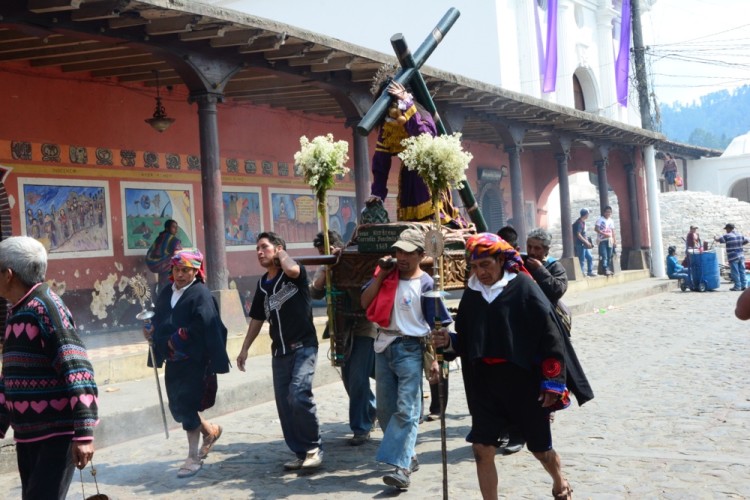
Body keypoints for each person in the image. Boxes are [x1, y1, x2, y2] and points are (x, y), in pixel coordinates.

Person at [431, 233, 577, 499]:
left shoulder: (523, 287)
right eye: (474, 266)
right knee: (481, 448)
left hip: (523, 382)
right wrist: (448, 342)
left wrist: (553, 382)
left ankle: (559, 479)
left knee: (540, 449)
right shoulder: (473, 294)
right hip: (485, 384)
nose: (480, 272)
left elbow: (550, 337)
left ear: (501, 260)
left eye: (485, 264)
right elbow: (468, 340)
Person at [0, 236, 99, 499]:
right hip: (28, 436)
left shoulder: (46, 308)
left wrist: (84, 433)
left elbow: (78, 369)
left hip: (56, 435)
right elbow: (10, 376)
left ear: (8, 274)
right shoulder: (18, 311)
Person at [360, 227, 452, 490]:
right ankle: (409, 455)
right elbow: (365, 302)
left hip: (411, 348)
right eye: (398, 251)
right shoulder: (386, 276)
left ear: (420, 255)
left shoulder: (425, 283)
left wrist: (436, 359)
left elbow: (438, 323)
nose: (401, 257)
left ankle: (401, 469)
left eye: (407, 252)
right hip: (384, 346)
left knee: (408, 409)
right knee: (386, 410)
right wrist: (381, 276)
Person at [237, 232, 323, 470]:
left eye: (264, 247)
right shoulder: (262, 284)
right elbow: (256, 318)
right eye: (257, 248)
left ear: (278, 249)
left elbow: (293, 271)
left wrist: (282, 253)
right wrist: (245, 348)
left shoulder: (294, 273)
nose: (259, 252)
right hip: (280, 352)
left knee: (298, 394)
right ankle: (301, 451)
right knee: (285, 406)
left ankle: (314, 447)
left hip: (304, 346)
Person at [145, 248, 230, 478]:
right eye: (177, 269)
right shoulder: (166, 293)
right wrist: (152, 329)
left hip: (195, 360)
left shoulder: (201, 294)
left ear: (196, 271)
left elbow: (207, 326)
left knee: (187, 404)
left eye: (186, 270)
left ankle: (193, 457)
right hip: (174, 360)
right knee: (178, 406)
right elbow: (160, 318)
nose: (180, 275)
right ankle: (210, 431)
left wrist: (179, 337)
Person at [310, 230, 376, 446]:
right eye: (320, 252)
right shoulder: (327, 264)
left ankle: (361, 427)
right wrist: (326, 265)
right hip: (341, 327)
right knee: (349, 377)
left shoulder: (354, 259)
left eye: (326, 250)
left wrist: (342, 258)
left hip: (364, 325)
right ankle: (371, 410)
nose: (323, 253)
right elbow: (315, 292)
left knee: (357, 376)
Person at [367, 80, 463, 227]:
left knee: (435, 219)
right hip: (408, 178)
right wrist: (377, 195)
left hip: (428, 174)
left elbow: (425, 137)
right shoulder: (387, 127)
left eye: (395, 101)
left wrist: (406, 104)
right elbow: (381, 161)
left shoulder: (422, 114)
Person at [146, 219, 182, 293]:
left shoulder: (159, 238)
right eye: (174, 227)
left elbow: (153, 251)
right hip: (170, 271)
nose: (176, 230)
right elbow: (179, 255)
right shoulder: (174, 240)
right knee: (171, 290)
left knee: (162, 289)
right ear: (167, 228)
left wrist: (161, 261)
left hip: (161, 270)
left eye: (176, 228)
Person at [714, 223, 749, 291]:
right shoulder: (740, 234)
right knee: (742, 271)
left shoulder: (727, 236)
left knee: (735, 272)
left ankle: (737, 286)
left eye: (726, 229)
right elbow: (747, 240)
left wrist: (715, 238)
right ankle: (744, 286)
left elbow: (720, 240)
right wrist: (741, 244)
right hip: (741, 255)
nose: (726, 230)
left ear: (729, 228)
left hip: (733, 257)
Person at [572, 208, 595, 277]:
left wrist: (587, 241)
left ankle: (590, 271)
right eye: (588, 214)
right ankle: (581, 273)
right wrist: (586, 242)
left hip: (584, 243)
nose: (588, 215)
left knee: (590, 257)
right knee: (581, 259)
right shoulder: (579, 223)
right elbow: (578, 234)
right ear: (585, 214)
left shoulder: (582, 222)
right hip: (580, 243)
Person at [594, 206, 616, 276]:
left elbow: (613, 231)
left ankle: (608, 268)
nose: (608, 213)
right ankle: (605, 269)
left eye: (609, 212)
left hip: (609, 240)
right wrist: (603, 234)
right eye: (607, 212)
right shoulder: (600, 220)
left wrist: (614, 240)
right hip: (602, 240)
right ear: (604, 212)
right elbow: (596, 229)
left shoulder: (611, 220)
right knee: (604, 255)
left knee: (609, 255)